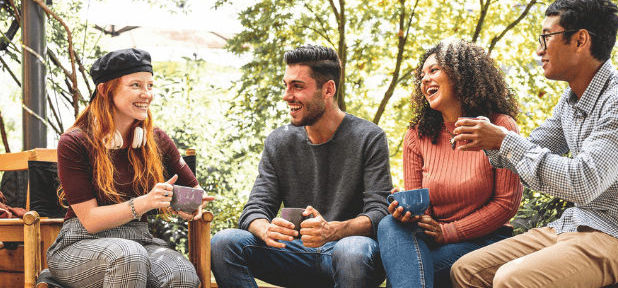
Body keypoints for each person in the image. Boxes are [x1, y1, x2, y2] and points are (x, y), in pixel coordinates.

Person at [450, 0, 618, 287]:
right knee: (466, 270)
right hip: (576, 225)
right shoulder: (569, 102)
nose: (539, 50)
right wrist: (487, 139)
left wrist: (504, 141)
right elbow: (534, 149)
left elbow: (583, 181)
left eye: (546, 37)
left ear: (580, 40)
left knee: (511, 278)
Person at [210, 45, 392, 288]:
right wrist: (265, 229)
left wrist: (332, 231)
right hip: (294, 253)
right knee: (223, 243)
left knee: (352, 250)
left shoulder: (369, 137)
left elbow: (380, 213)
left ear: (328, 89)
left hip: (350, 252)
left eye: (297, 86)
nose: (287, 95)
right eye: (286, 85)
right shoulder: (279, 141)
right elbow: (255, 209)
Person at [46, 48, 214, 288]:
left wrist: (189, 206)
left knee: (181, 273)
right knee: (128, 255)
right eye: (136, 85)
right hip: (79, 246)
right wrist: (146, 202)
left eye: (150, 86)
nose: (147, 94)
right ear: (105, 90)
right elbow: (91, 220)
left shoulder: (156, 139)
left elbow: (196, 193)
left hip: (139, 240)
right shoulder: (74, 142)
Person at [376, 39, 523, 288]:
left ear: (461, 74)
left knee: (405, 271)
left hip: (487, 240)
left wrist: (449, 232)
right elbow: (422, 210)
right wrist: (407, 212)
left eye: (434, 71)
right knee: (390, 224)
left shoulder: (499, 126)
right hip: (432, 239)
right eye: (422, 75)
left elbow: (507, 203)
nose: (425, 80)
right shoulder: (417, 136)